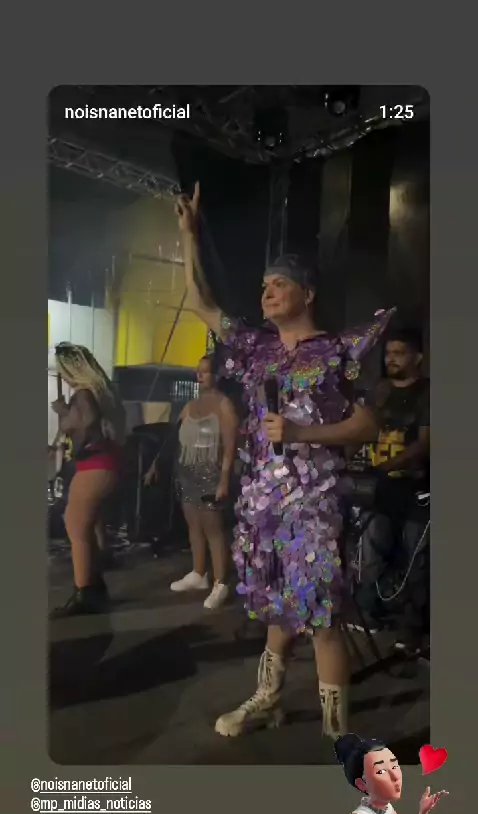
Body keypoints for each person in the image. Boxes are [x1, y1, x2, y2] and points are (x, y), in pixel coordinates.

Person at [174, 182, 395, 739]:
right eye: (264, 286)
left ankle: (339, 736)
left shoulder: (338, 352)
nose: (267, 292)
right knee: (277, 607)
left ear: (308, 293)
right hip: (262, 504)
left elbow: (368, 425)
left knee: (319, 616)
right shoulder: (256, 348)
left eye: (279, 284)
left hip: (313, 504)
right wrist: (189, 236)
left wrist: (302, 432)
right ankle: (268, 699)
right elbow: (201, 304)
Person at [347, 329, 430, 653]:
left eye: (399, 353)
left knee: (415, 561)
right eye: (388, 353)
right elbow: (360, 430)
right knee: (373, 551)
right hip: (379, 488)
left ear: (417, 357)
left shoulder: (428, 393)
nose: (390, 359)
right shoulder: (380, 392)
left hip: (417, 488)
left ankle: (413, 629)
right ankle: (373, 612)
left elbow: (425, 444)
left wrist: (385, 466)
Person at [145, 354, 239, 610]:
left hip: (211, 474)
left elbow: (231, 446)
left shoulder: (224, 406)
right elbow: (171, 437)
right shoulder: (190, 406)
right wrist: (156, 464)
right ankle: (199, 573)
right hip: (187, 472)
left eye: (205, 371)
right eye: (198, 371)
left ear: (217, 375)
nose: (200, 375)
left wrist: (224, 479)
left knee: (213, 529)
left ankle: (221, 582)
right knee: (193, 525)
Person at [49, 343, 126, 618]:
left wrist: (64, 414)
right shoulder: (101, 392)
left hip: (93, 466)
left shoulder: (83, 394)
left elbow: (85, 422)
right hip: (105, 464)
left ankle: (84, 593)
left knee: (77, 529)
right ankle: (94, 586)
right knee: (84, 529)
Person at [335, 734, 447, 814]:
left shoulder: (388, 810)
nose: (395, 776)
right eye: (381, 771)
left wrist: (423, 812)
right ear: (362, 784)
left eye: (394, 766)